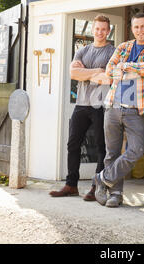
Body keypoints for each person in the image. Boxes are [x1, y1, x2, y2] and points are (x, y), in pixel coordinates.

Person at [94, 12, 144, 207]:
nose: (139, 30)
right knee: (111, 153)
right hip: (113, 106)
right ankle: (115, 194)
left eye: (143, 27)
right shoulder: (123, 47)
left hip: (134, 109)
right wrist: (128, 69)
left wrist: (124, 67)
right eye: (136, 27)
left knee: (136, 150)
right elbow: (109, 70)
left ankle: (102, 178)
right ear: (132, 29)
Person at [50, 14, 115, 200]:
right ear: (93, 30)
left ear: (108, 31)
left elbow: (107, 77)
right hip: (81, 104)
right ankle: (71, 185)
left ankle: (97, 187)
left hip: (100, 105)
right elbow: (73, 73)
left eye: (103, 29)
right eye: (97, 29)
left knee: (101, 146)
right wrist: (97, 71)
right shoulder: (83, 50)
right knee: (73, 144)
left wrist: (85, 72)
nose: (100, 32)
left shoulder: (113, 52)